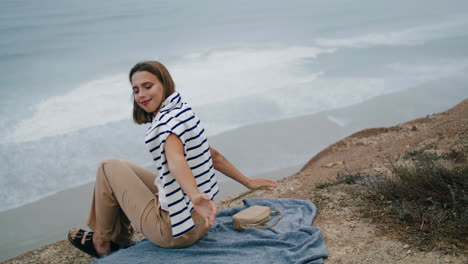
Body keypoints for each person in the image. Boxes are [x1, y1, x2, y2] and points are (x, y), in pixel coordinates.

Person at [68, 61, 278, 258]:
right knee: (121, 167)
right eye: (136, 90)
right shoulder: (182, 110)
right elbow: (213, 155)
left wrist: (195, 196)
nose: (141, 95)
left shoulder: (167, 124)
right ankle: (116, 237)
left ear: (164, 83)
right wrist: (247, 182)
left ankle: (102, 242)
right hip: (199, 223)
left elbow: (175, 161)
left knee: (107, 167)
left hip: (174, 232)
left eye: (147, 86)